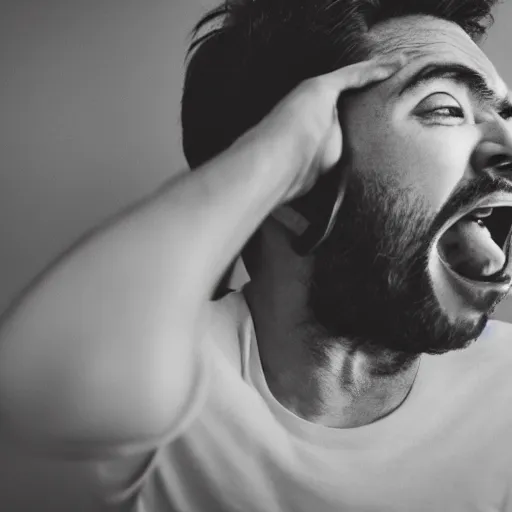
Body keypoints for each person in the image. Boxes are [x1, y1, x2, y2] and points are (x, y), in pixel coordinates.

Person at [1, 0, 512, 510]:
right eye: (446, 109)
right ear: (302, 185)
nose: (506, 144)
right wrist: (271, 158)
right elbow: (33, 394)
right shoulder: (155, 373)